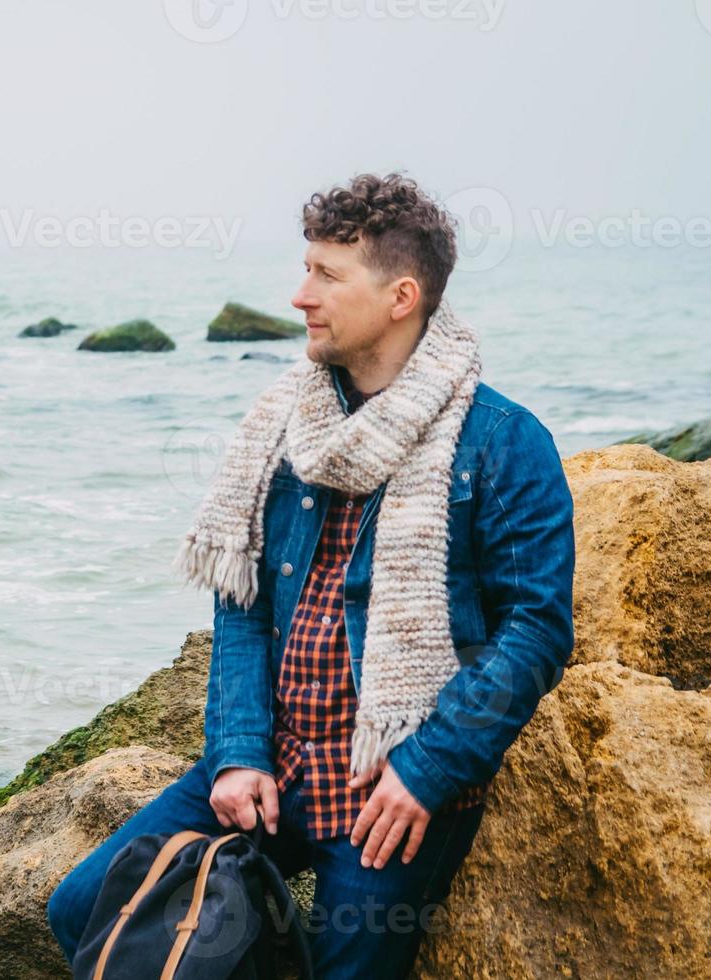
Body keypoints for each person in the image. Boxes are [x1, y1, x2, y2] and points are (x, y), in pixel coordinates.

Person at [45, 173, 576, 979]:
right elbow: (243, 606)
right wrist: (236, 751)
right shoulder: (287, 427)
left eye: (327, 275)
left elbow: (536, 630)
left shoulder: (502, 443)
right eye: (306, 270)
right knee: (82, 906)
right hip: (276, 762)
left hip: (390, 780)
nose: (300, 296)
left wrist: (428, 768)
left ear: (401, 296)